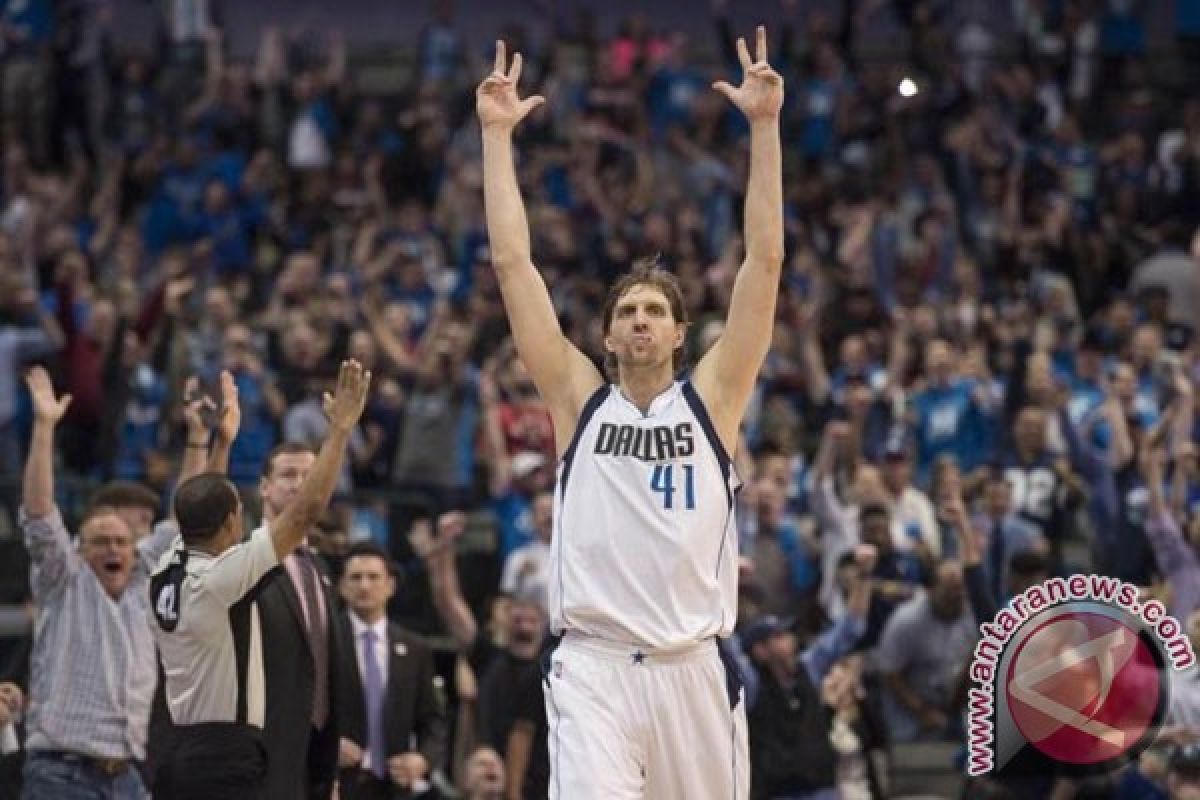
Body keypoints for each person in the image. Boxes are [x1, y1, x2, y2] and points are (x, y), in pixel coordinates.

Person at [477, 23, 783, 799]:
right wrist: (496, 139)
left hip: (691, 665)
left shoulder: (714, 398)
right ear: (607, 334)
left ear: (681, 333)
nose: (640, 320)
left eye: (654, 310)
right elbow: (514, 264)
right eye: (627, 311)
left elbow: (766, 260)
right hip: (594, 664)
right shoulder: (578, 400)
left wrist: (765, 129)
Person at [149, 359, 369, 799]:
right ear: (233, 523)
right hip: (224, 754)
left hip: (180, 745)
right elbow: (305, 514)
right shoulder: (222, 579)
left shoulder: (167, 564)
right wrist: (340, 432)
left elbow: (197, 495)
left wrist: (222, 441)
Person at [17, 367, 199, 799]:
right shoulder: (63, 580)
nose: (113, 549)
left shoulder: (142, 587)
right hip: (61, 774)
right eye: (100, 541)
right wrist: (44, 428)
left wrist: (196, 438)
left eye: (121, 541)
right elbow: (41, 515)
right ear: (79, 548)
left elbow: (182, 519)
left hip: (128, 778)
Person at [335, 541, 447, 799]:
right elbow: (303, 709)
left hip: (395, 787)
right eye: (356, 577)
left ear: (390, 585)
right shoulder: (326, 641)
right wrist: (327, 747)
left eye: (373, 577)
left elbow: (433, 719)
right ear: (342, 586)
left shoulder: (415, 648)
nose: (364, 585)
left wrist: (423, 760)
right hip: (338, 784)